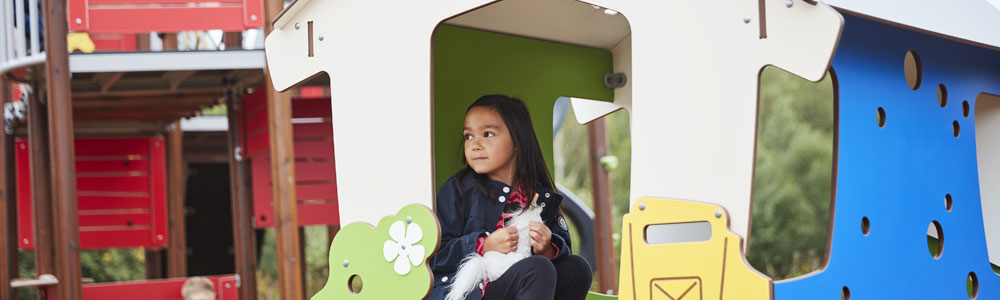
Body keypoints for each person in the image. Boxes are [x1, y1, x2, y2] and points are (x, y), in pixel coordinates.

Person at [429, 95, 593, 300]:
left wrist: (548, 248)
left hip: (522, 283)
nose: (475, 145)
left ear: (518, 141)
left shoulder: (539, 197)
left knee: (577, 268)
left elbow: (562, 252)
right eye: (468, 136)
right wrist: (483, 244)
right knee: (537, 268)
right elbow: (434, 255)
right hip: (475, 292)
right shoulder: (459, 189)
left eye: (487, 134)